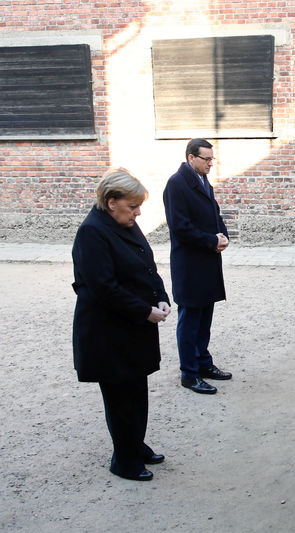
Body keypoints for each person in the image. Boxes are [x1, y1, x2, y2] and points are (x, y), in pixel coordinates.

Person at [72, 168, 170, 481]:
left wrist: (161, 296)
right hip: (107, 332)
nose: (138, 212)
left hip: (132, 325)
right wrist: (144, 311)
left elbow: (146, 265)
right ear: (112, 202)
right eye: (132, 206)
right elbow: (103, 287)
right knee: (120, 398)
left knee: (136, 390)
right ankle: (124, 461)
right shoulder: (93, 232)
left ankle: (134, 445)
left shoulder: (123, 221)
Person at [163, 138, 232, 395]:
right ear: (191, 158)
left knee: (205, 317)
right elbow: (180, 227)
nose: (210, 163)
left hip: (207, 259)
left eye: (212, 159)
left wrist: (222, 235)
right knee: (190, 318)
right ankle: (189, 373)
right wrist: (210, 240)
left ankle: (203, 363)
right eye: (206, 159)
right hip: (190, 263)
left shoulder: (203, 181)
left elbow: (214, 213)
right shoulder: (176, 184)